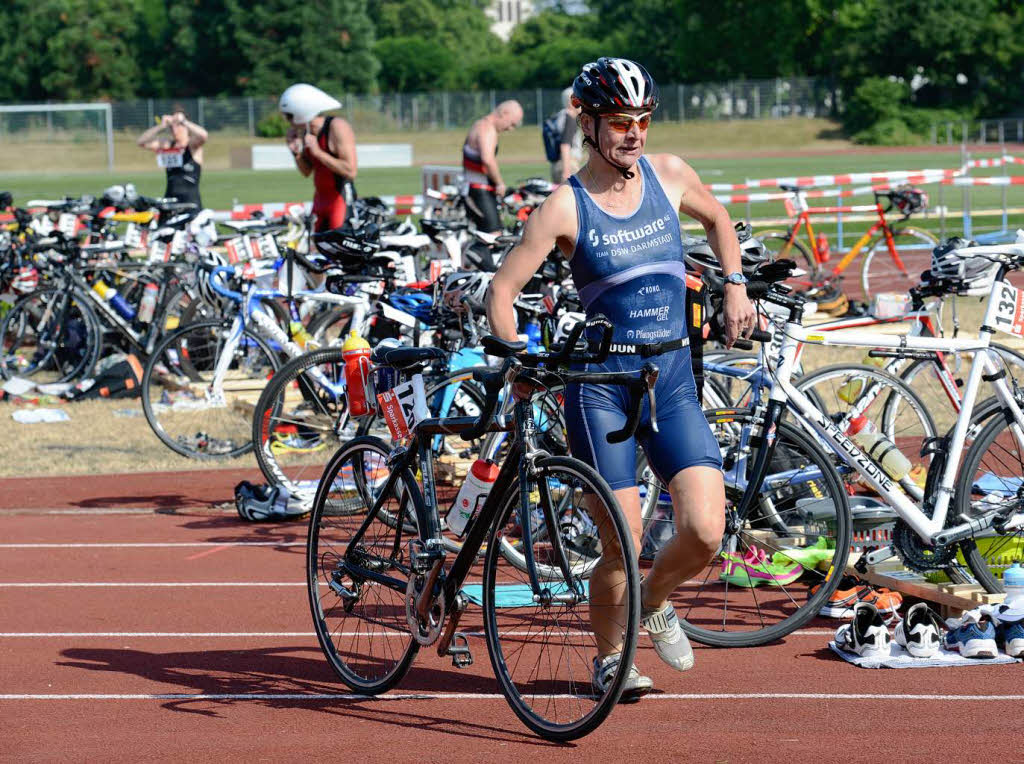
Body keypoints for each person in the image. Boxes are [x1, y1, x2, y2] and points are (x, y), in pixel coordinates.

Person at [485, 58, 756, 699]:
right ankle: (611, 660)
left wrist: (736, 286)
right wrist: (514, 355)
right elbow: (502, 291)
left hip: (673, 376)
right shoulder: (564, 206)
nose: (634, 133)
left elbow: (718, 220)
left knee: (705, 532)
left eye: (642, 120)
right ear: (588, 122)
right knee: (623, 537)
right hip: (601, 385)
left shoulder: (669, 175)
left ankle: (653, 600)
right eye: (619, 122)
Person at [279, 83, 357, 232]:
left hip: (339, 200)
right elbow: (307, 172)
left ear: (302, 112)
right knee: (316, 249)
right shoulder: (304, 133)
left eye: (289, 116)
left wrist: (318, 152)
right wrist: (296, 152)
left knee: (338, 249)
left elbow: (351, 171)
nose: (288, 122)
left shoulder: (337, 127)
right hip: (320, 202)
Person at [462, 100, 523, 234]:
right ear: (504, 113)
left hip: (473, 188)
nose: (510, 129)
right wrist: (500, 184)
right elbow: (488, 159)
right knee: (494, 235)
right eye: (512, 123)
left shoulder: (479, 124)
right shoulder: (487, 129)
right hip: (479, 190)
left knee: (482, 235)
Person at [136, 110, 207, 209]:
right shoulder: (168, 145)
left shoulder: (192, 146)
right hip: (170, 199)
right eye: (172, 126)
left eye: (178, 125)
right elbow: (141, 142)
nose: (174, 129)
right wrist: (161, 126)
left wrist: (184, 121)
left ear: (185, 127)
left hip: (190, 200)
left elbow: (203, 136)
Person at [550, 86, 584, 184]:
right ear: (571, 101)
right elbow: (565, 145)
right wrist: (566, 171)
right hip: (568, 163)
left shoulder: (559, 116)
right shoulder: (569, 118)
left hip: (556, 164)